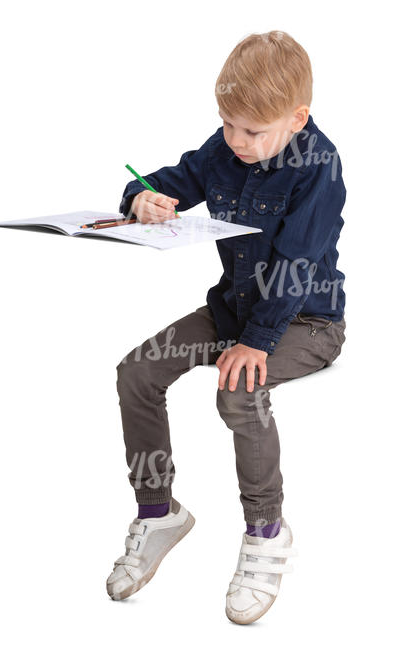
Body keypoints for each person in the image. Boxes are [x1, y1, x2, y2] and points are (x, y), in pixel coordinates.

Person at [106, 30, 347, 625]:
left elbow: (297, 262)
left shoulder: (318, 166)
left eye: (252, 131)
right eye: (228, 125)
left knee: (238, 389)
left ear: (298, 118)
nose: (236, 142)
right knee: (136, 372)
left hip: (304, 323)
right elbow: (165, 179)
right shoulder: (225, 147)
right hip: (232, 312)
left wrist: (256, 342)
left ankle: (266, 529)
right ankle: (158, 510)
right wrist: (144, 198)